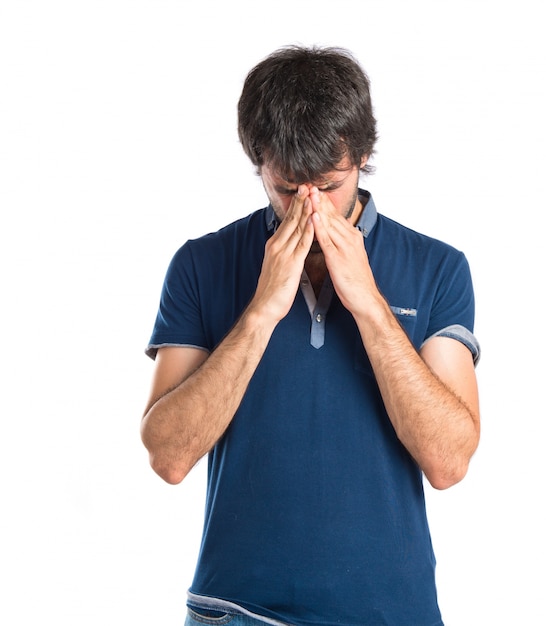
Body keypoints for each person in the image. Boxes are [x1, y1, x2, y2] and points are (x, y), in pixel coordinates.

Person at [141, 45, 481, 626]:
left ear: (364, 156)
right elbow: (168, 457)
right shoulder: (201, 264)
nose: (311, 208)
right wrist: (260, 312)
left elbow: (449, 462)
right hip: (238, 610)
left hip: (389, 612)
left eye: (330, 183)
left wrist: (371, 308)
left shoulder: (438, 267)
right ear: (260, 165)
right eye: (288, 187)